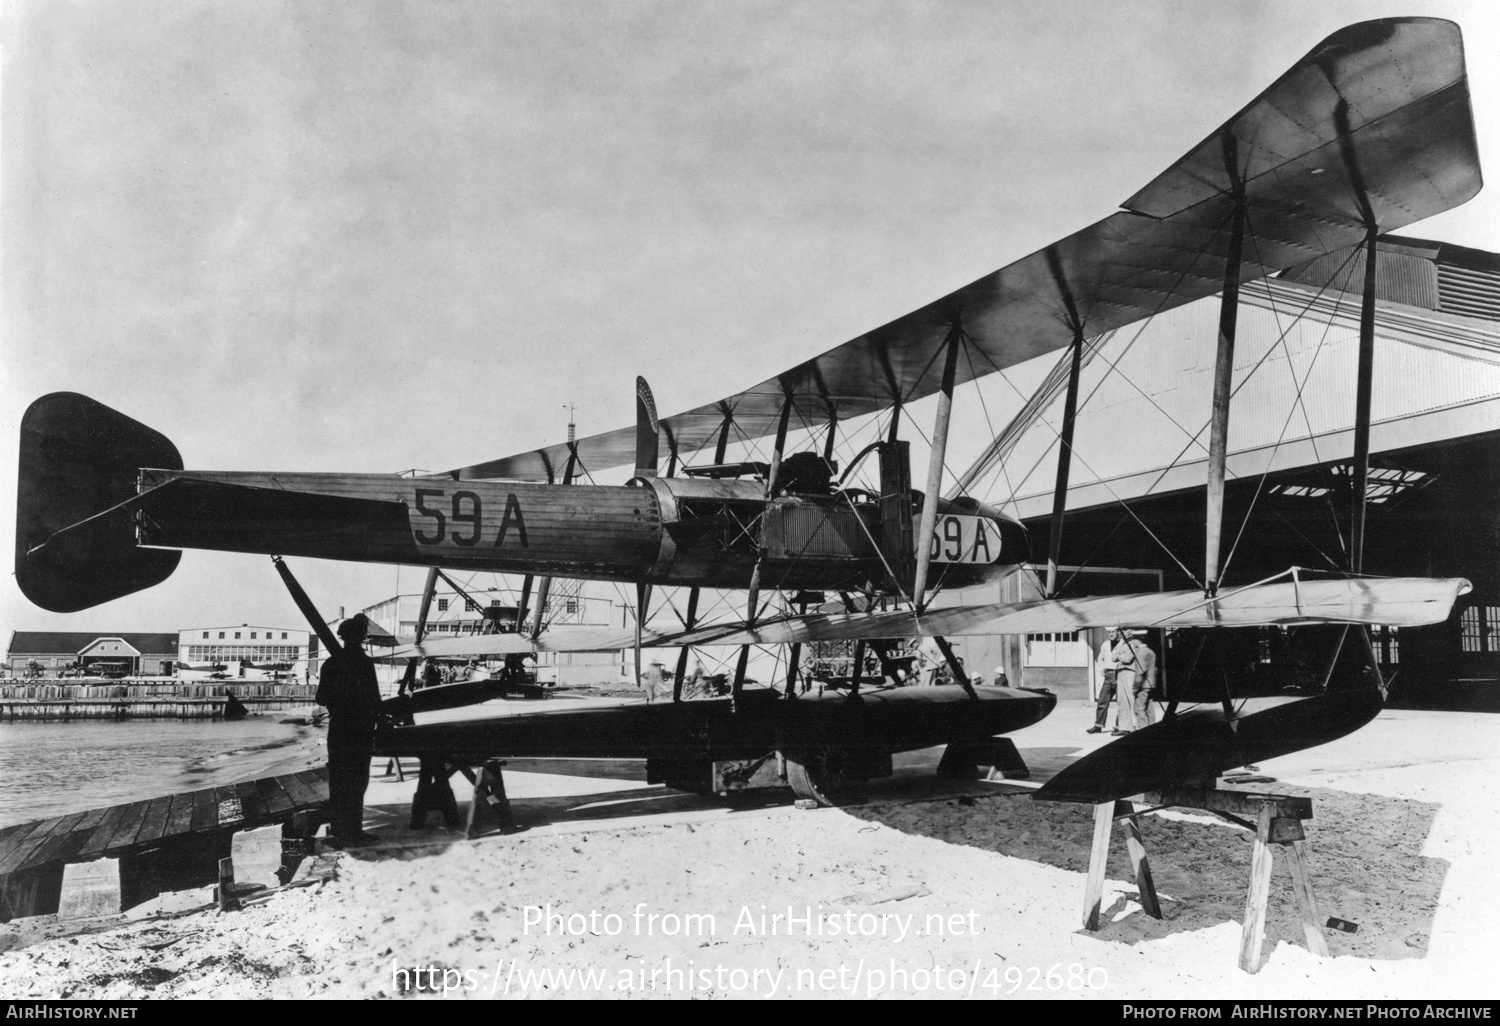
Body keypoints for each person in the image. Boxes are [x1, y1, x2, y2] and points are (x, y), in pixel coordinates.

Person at [316, 614, 383, 847]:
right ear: (362, 638)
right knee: (357, 781)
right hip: (362, 729)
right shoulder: (365, 664)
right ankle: (353, 831)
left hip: (339, 729)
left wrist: (339, 698)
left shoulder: (331, 663)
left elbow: (321, 698)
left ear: (342, 637)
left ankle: (339, 832)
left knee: (339, 781)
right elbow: (375, 700)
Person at [1088, 628, 1125, 734]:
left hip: (1119, 675)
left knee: (1121, 702)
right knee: (1102, 701)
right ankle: (1098, 726)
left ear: (1118, 632)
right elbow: (1100, 658)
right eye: (1109, 632)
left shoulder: (1123, 644)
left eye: (1113, 632)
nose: (1111, 634)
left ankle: (1119, 727)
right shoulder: (1105, 644)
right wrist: (1100, 669)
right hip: (1108, 676)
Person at [1123, 630, 1159, 730]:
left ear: (1136, 639)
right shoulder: (1150, 651)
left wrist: (1135, 688)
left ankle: (1142, 733)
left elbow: (1140, 672)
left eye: (1133, 639)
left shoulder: (1140, 653)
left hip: (1142, 687)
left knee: (1139, 710)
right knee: (1149, 711)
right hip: (1150, 686)